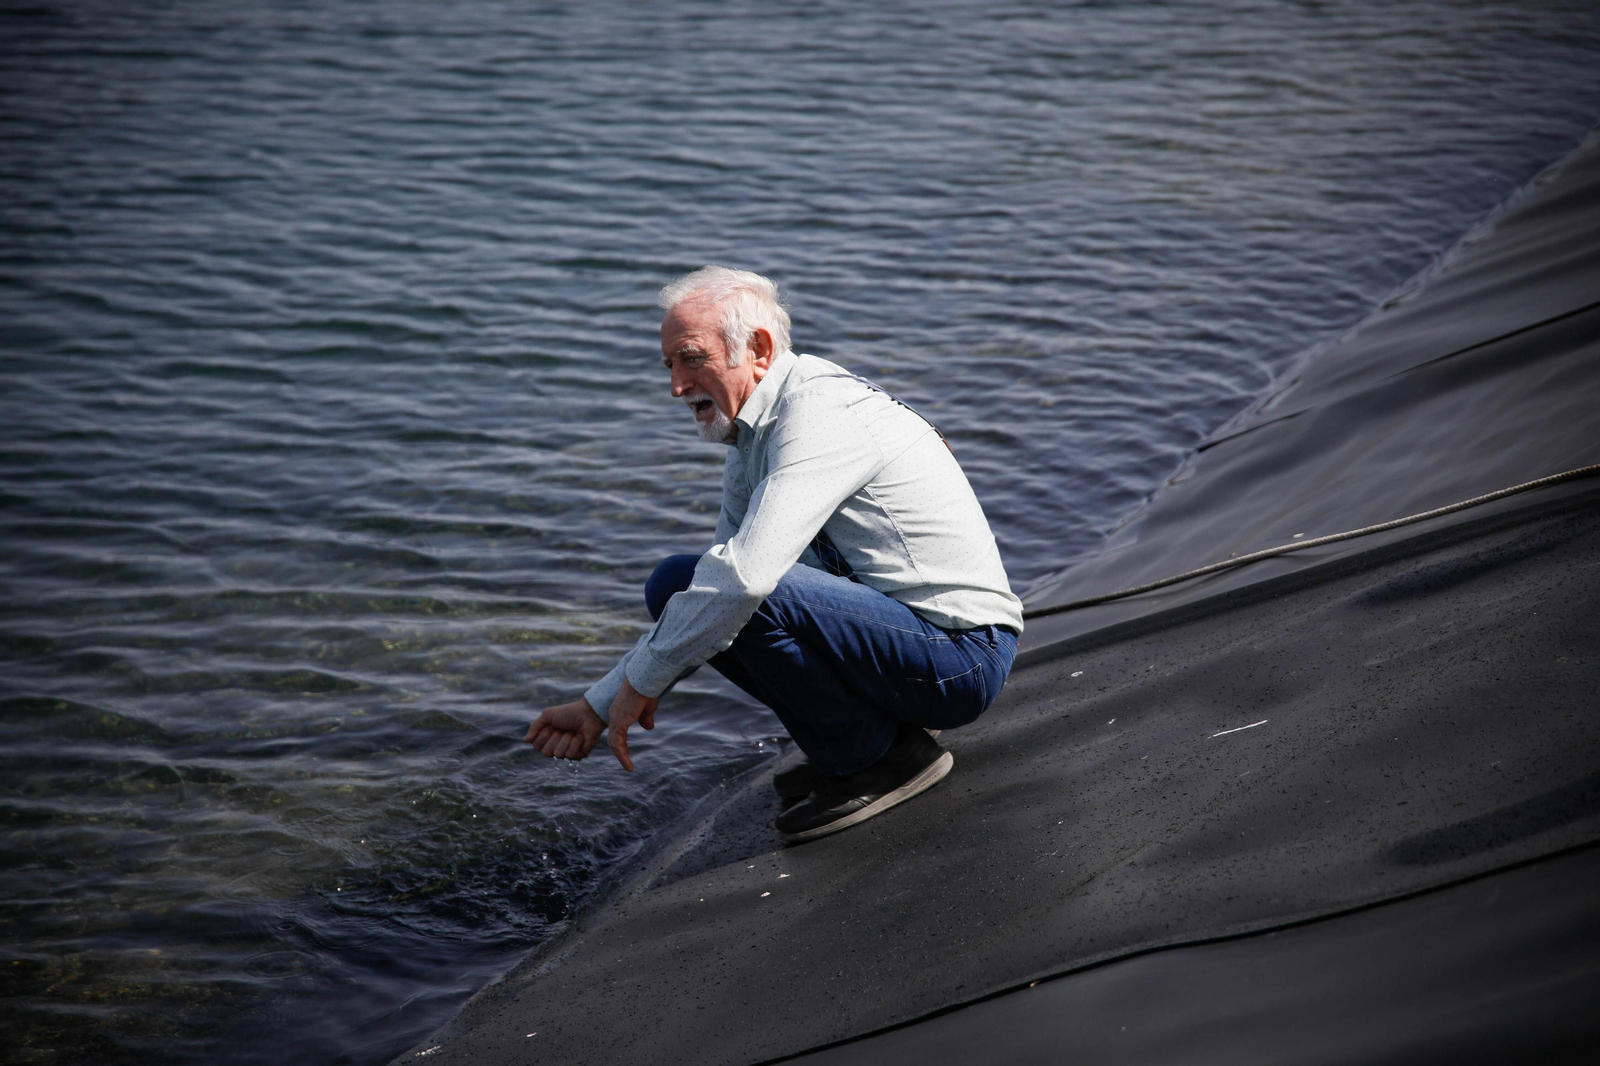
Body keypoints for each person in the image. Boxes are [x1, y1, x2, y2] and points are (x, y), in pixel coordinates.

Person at [524, 266, 1023, 842]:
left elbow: (743, 580)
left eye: (691, 358)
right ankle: (865, 744)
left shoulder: (819, 412)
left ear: (758, 349)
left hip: (960, 657)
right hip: (911, 649)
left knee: (737, 582)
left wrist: (644, 681)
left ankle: (880, 759)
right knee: (678, 585)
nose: (676, 387)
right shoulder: (753, 435)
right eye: (669, 365)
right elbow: (711, 593)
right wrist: (601, 702)